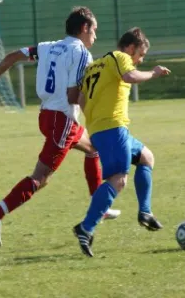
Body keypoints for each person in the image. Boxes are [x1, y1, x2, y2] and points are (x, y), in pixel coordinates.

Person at [0, 6, 121, 248]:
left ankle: (99, 207)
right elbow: (74, 95)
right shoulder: (82, 54)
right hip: (63, 122)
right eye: (94, 30)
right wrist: (95, 117)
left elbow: (13, 56)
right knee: (40, 179)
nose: (95, 36)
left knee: (94, 148)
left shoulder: (48, 47)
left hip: (47, 117)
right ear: (84, 28)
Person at [72, 27, 171, 257]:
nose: (140, 60)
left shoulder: (93, 66)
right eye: (141, 54)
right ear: (130, 47)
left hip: (104, 129)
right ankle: (85, 228)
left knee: (147, 156)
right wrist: (154, 73)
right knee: (118, 180)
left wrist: (94, 126)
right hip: (112, 128)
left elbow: (80, 99)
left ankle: (145, 212)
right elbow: (130, 76)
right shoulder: (120, 57)